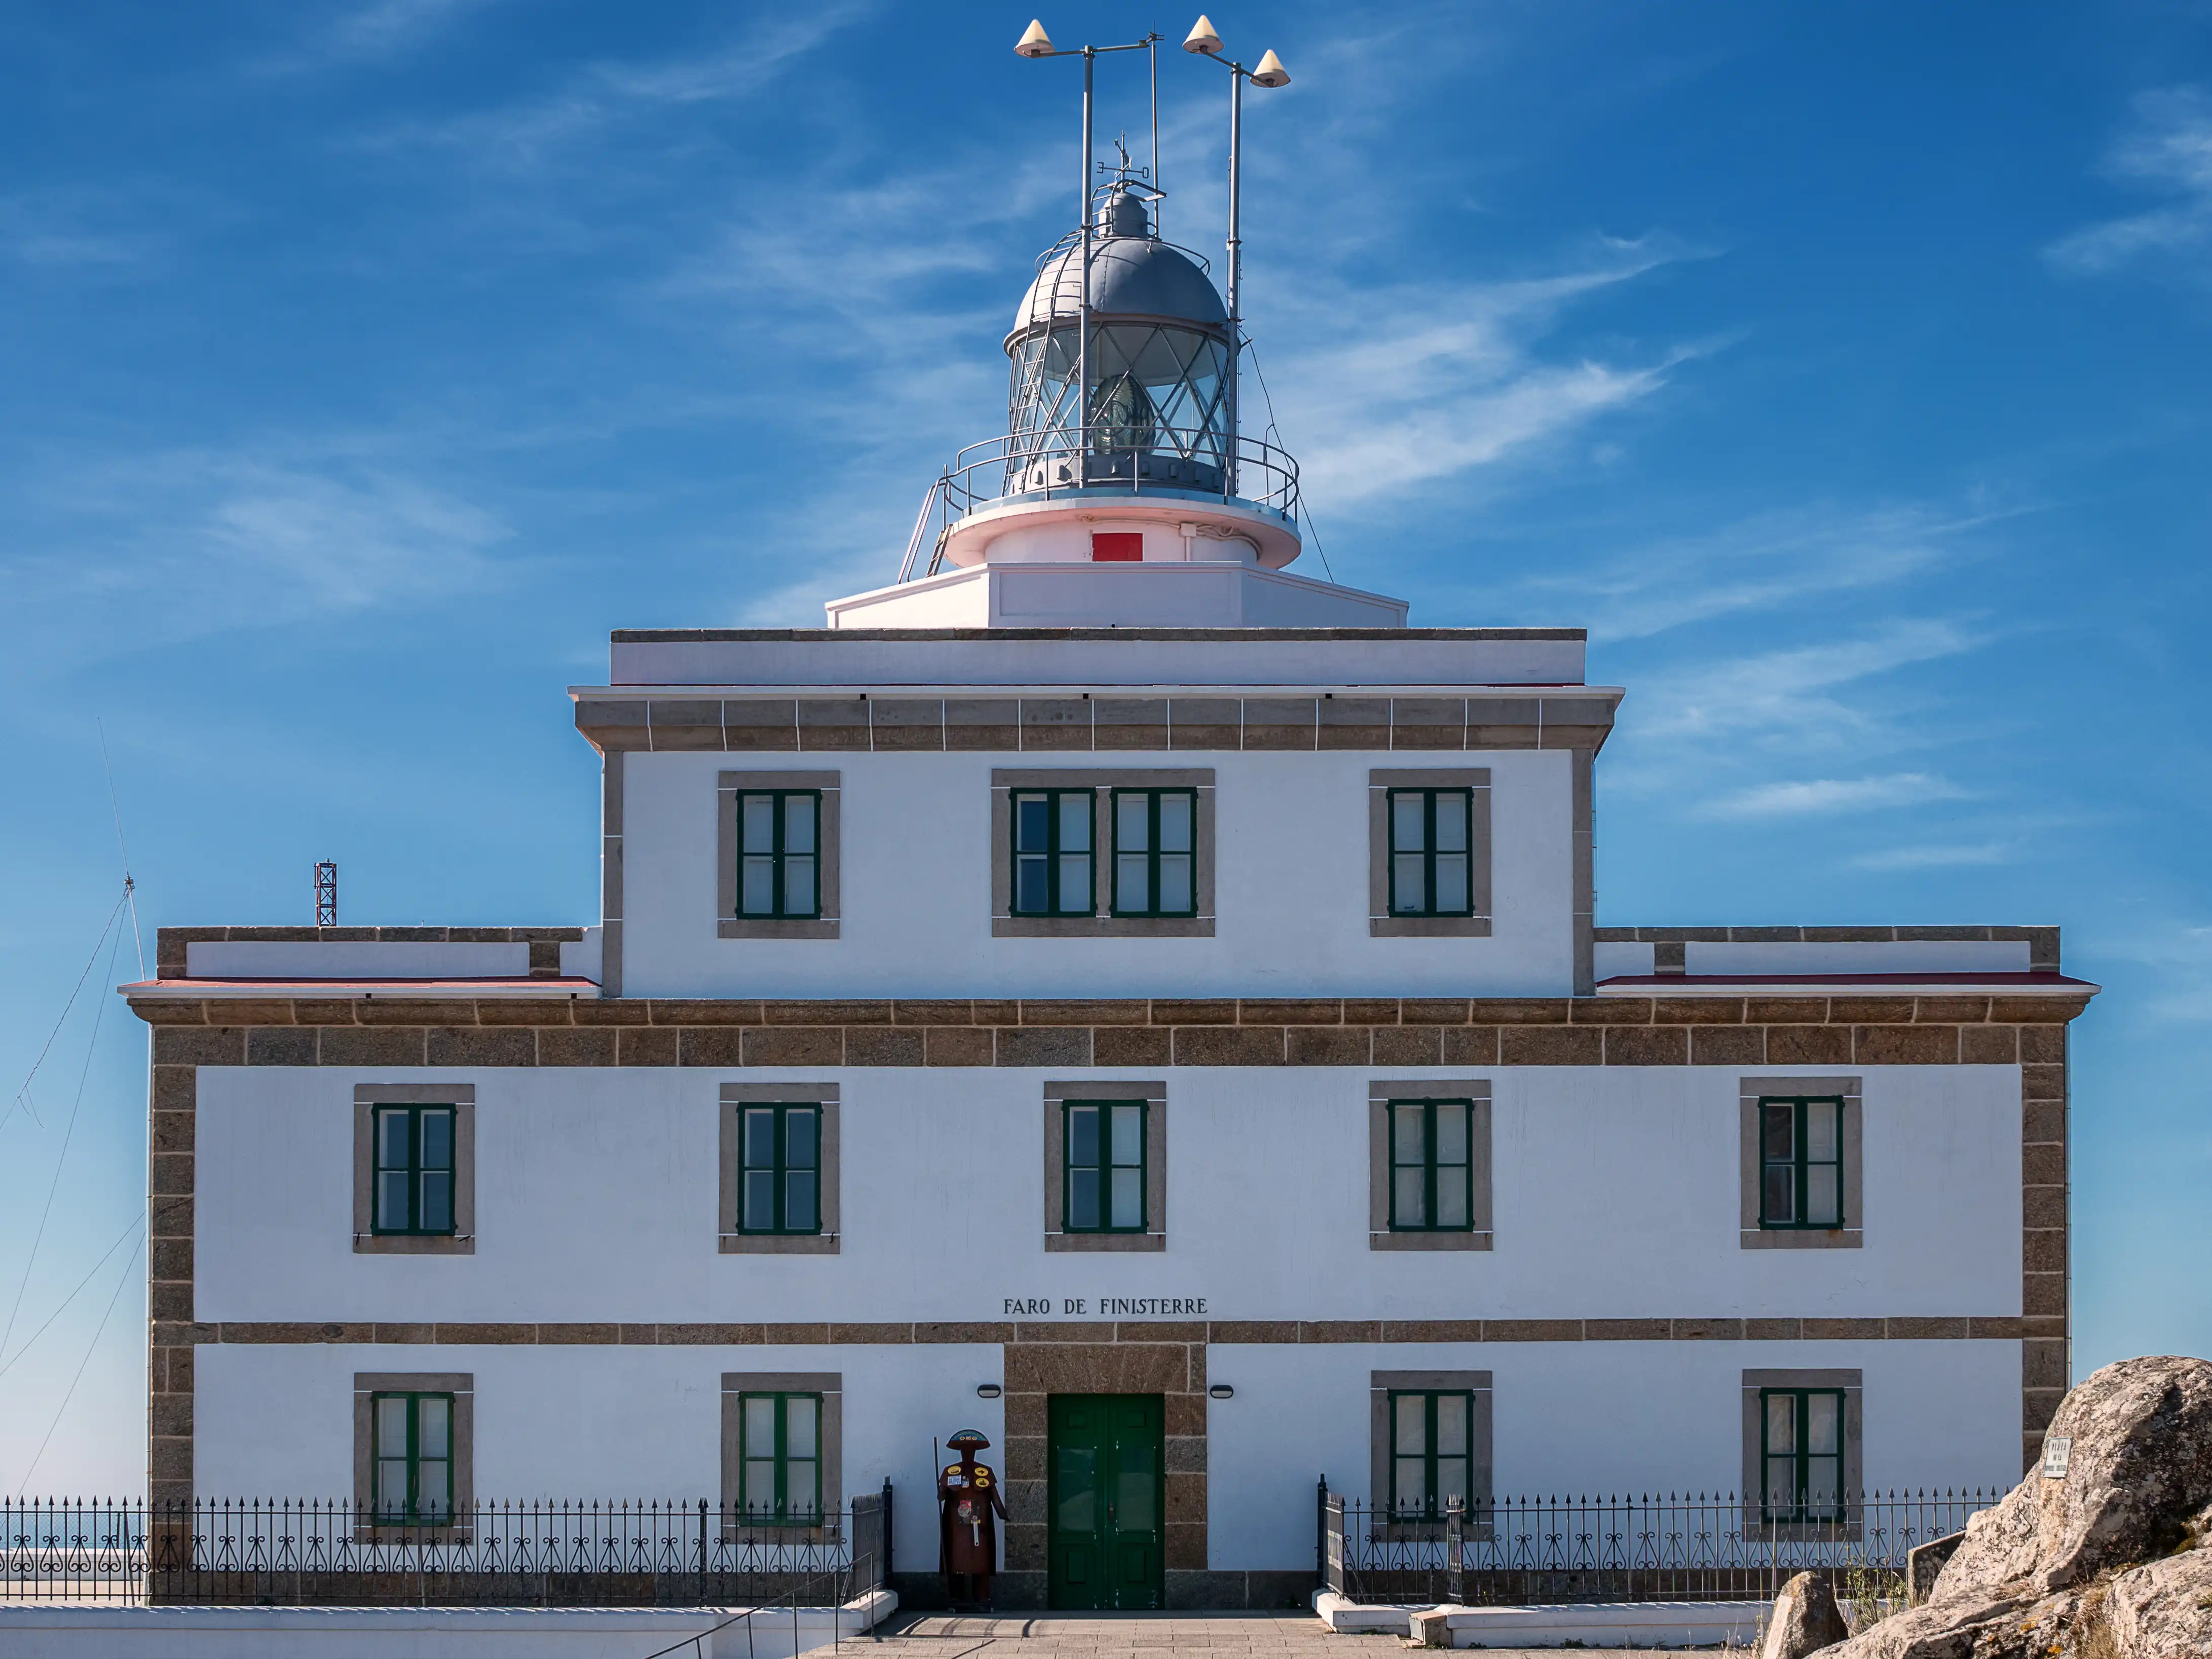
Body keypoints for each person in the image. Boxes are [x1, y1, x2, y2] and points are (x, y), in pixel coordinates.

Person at [937, 1427, 1007, 1609]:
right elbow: (942, 1496)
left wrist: (1003, 1514)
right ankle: (956, 1596)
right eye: (965, 1451)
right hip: (956, 1528)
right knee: (955, 1562)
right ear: (960, 1452)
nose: (968, 1454)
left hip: (979, 1526)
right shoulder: (950, 1472)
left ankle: (982, 1596)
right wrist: (942, 1490)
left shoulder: (985, 1472)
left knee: (980, 1562)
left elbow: (994, 1496)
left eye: (971, 1451)